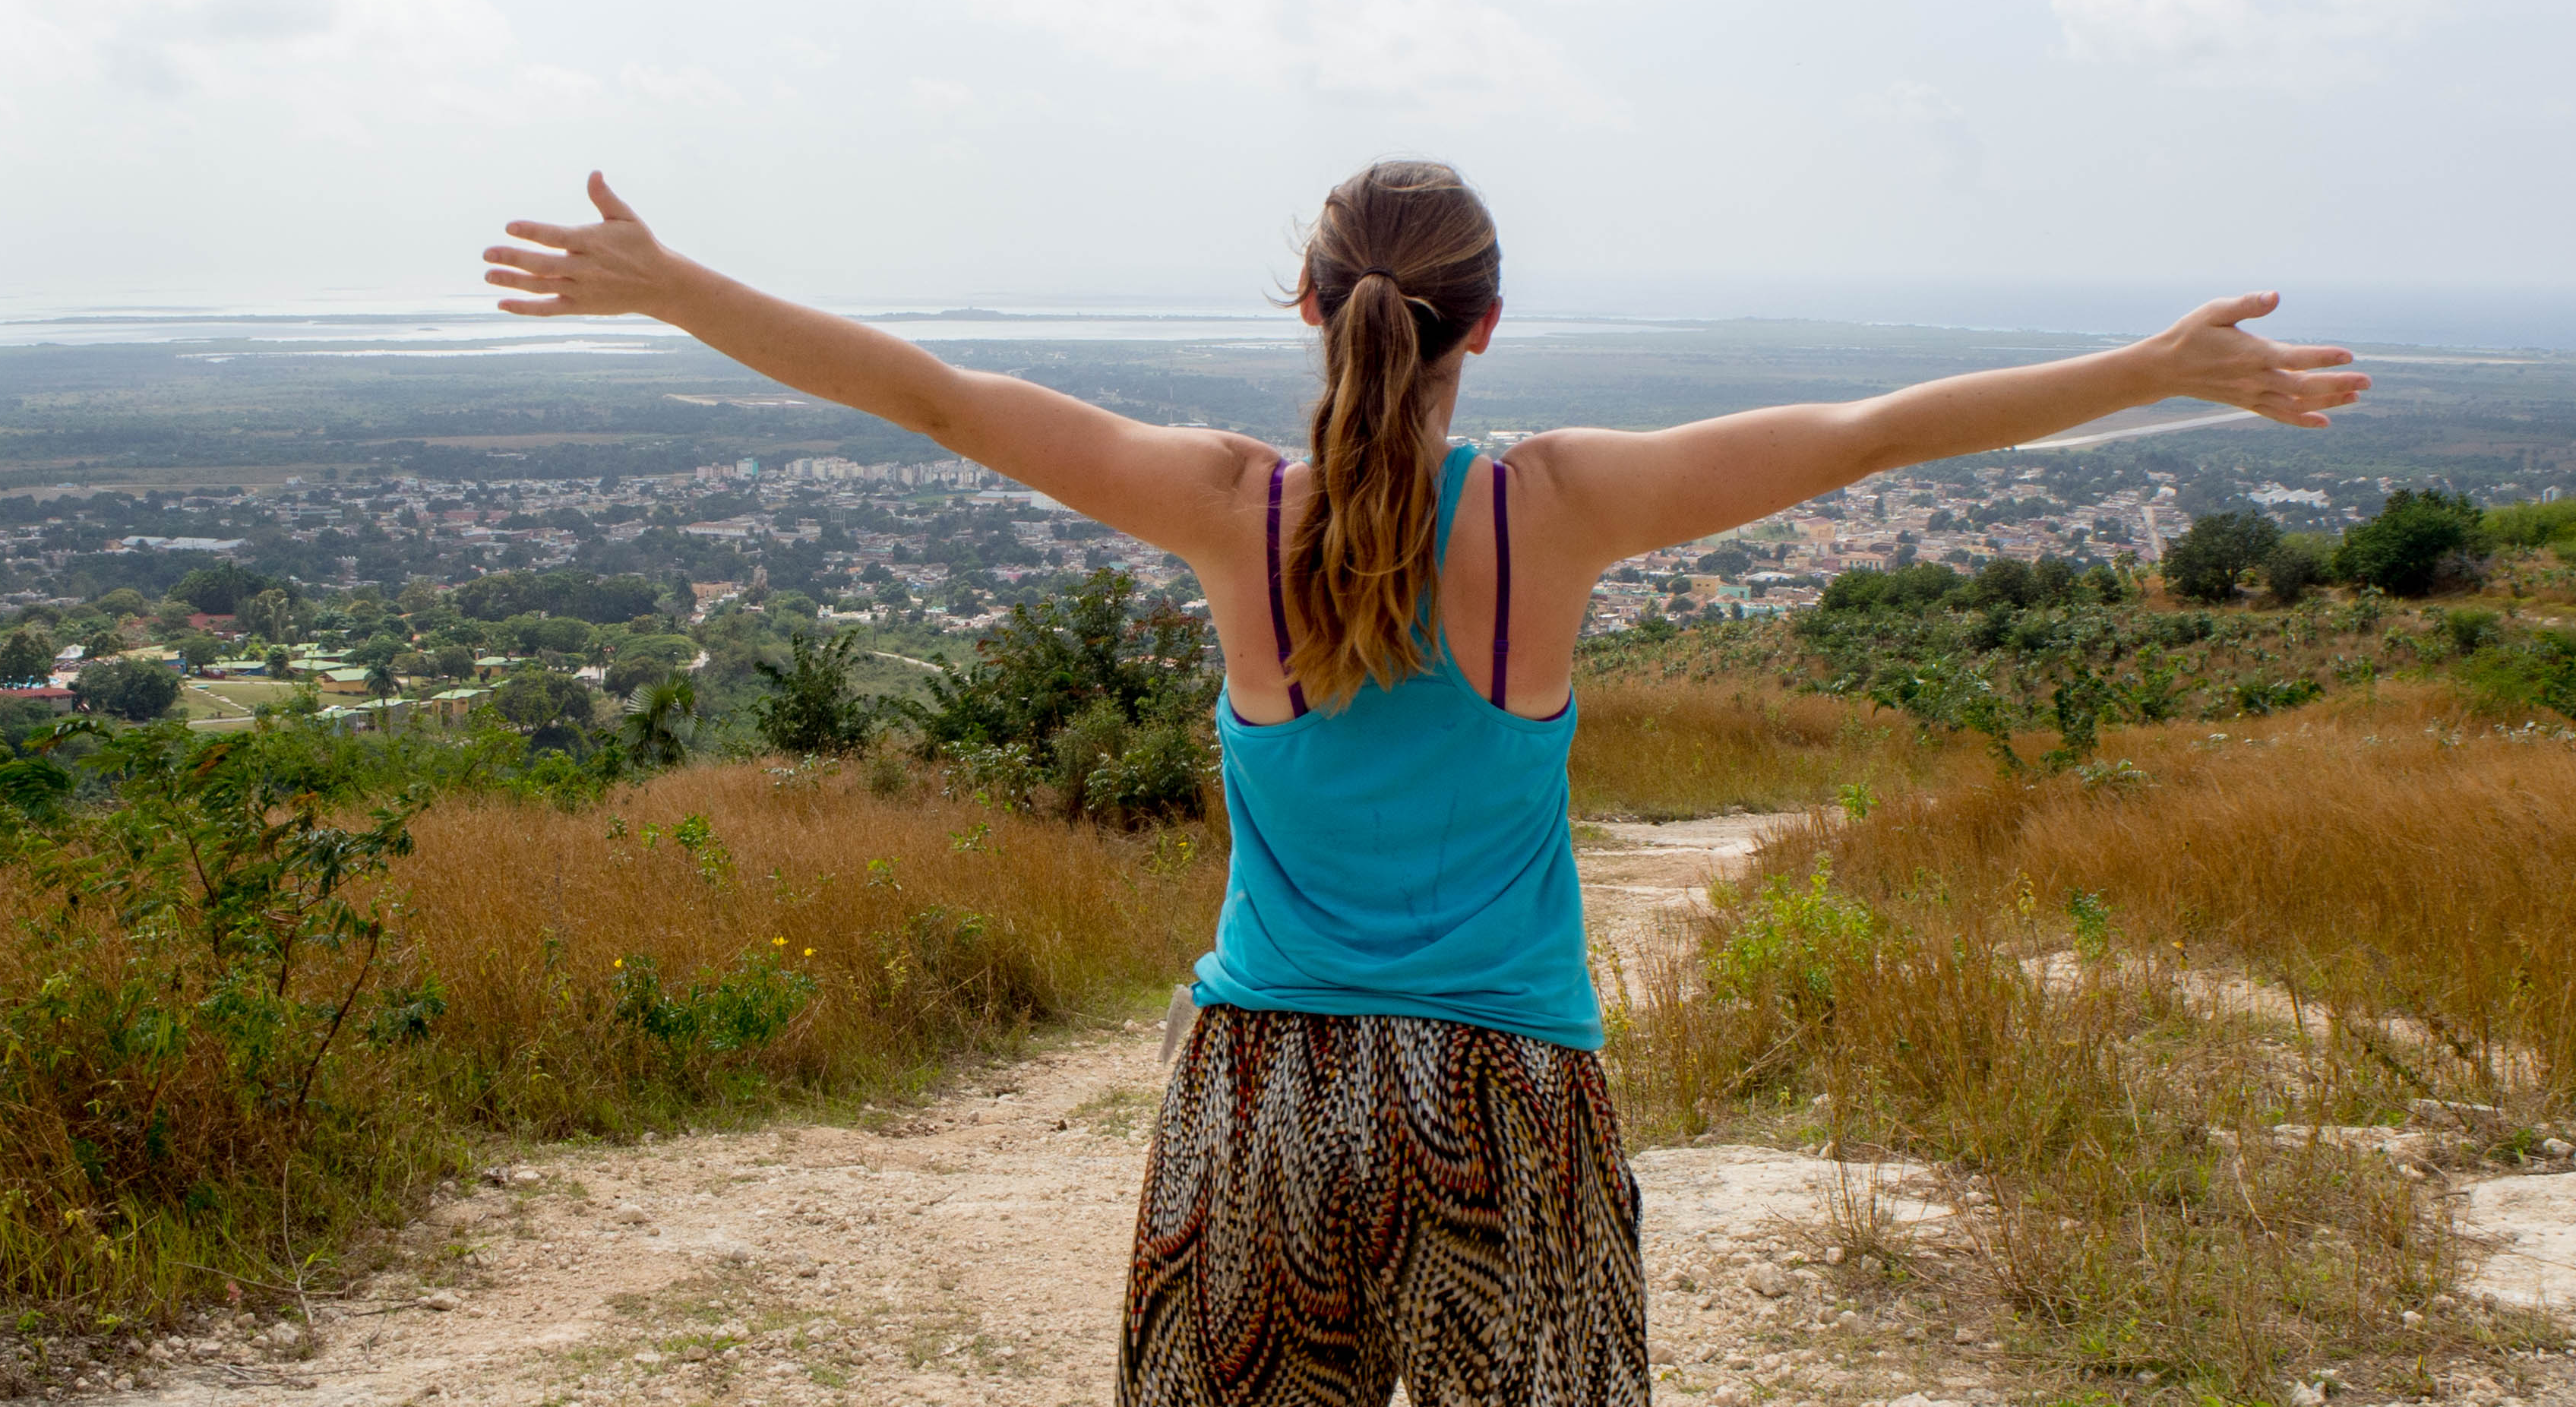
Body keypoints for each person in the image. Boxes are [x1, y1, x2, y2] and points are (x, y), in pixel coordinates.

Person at [482, 160, 2366, 1407]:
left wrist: (669, 286)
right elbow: (1874, 433)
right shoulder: (1556, 508)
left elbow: (940, 398)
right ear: (1482, 329)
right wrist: (2156, 366)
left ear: (1309, 309)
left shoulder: (1234, 510)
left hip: (1263, 1095)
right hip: (1510, 1101)